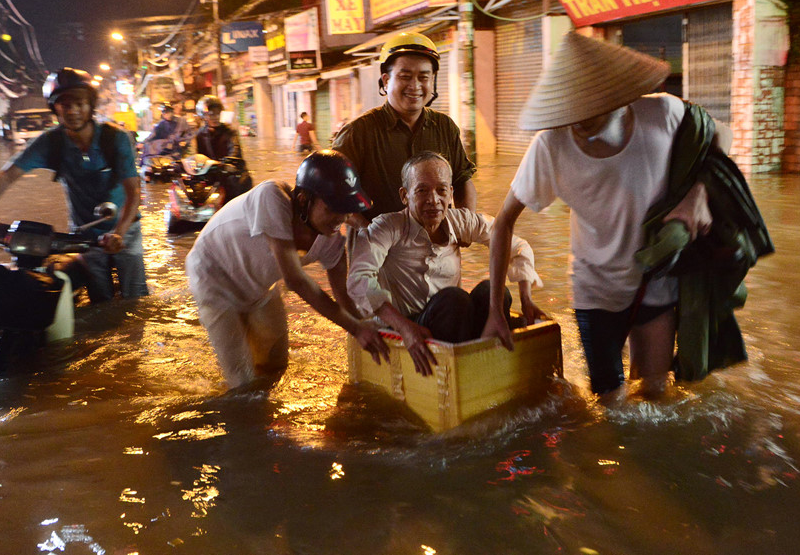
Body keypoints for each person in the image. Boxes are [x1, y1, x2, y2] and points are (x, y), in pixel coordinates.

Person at [483, 32, 730, 400]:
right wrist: (495, 310)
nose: (577, 117)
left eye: (587, 105)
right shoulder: (550, 146)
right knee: (610, 404)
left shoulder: (663, 114)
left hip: (654, 280)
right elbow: (503, 222)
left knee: (654, 395)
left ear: (615, 96)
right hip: (595, 290)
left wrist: (697, 197)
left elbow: (722, 136)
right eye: (569, 106)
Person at [186, 149, 390, 389]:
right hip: (212, 277)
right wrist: (356, 328)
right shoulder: (271, 196)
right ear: (303, 199)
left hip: (259, 288)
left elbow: (343, 297)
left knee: (276, 364)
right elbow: (295, 280)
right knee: (243, 383)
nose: (340, 219)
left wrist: (368, 327)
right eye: (332, 208)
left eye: (345, 210)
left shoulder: (332, 241)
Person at [0, 67, 148, 304]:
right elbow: (6, 177)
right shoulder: (50, 143)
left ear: (90, 105)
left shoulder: (115, 138)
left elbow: (133, 191)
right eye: (65, 105)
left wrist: (118, 233)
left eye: (80, 103)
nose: (73, 111)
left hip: (125, 230)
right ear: (55, 109)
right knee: (101, 302)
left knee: (136, 300)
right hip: (84, 236)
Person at [348, 152, 544, 376]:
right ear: (404, 195)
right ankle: (466, 370)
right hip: (407, 325)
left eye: (441, 190)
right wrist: (403, 326)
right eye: (422, 191)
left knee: (492, 290)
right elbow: (358, 278)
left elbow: (517, 245)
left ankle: (483, 360)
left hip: (455, 323)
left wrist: (526, 298)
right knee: (454, 299)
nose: (433, 200)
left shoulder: (461, 221)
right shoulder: (387, 227)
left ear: (451, 193)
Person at [332, 32, 477, 225]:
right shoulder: (357, 133)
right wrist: (370, 232)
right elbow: (334, 194)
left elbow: (462, 181)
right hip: (375, 243)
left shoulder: (445, 127)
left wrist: (465, 226)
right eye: (405, 77)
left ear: (432, 80)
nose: (415, 86)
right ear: (386, 81)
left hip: (437, 242)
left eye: (423, 77)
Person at [194, 94, 243, 161]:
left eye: (218, 113)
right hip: (209, 167)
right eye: (211, 114)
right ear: (204, 116)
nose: (216, 117)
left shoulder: (229, 132)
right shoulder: (200, 134)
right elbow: (199, 157)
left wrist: (228, 162)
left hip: (227, 166)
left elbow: (235, 152)